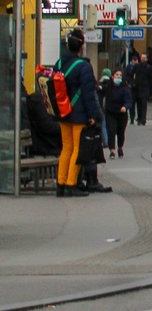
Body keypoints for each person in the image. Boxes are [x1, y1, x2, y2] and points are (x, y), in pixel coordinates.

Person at [55, 27, 102, 198]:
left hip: (63, 112)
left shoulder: (59, 63)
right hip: (79, 114)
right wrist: (93, 116)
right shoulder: (83, 66)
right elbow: (88, 94)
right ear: (81, 47)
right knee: (77, 148)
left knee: (65, 148)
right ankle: (71, 183)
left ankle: (60, 184)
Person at [105, 68, 133, 158]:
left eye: (120, 75)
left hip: (121, 113)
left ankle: (120, 147)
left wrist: (125, 106)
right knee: (111, 130)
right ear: (112, 76)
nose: (119, 77)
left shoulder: (125, 88)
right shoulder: (108, 86)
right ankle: (112, 150)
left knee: (121, 132)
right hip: (110, 112)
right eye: (117, 75)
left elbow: (129, 100)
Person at [131, 52, 152, 125]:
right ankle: (139, 118)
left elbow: (151, 80)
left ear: (147, 59)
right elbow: (131, 75)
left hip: (145, 88)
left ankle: (143, 119)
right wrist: (132, 83)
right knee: (138, 104)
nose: (143, 59)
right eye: (142, 58)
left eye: (144, 58)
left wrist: (151, 92)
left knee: (143, 104)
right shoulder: (136, 66)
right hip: (137, 88)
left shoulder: (149, 67)